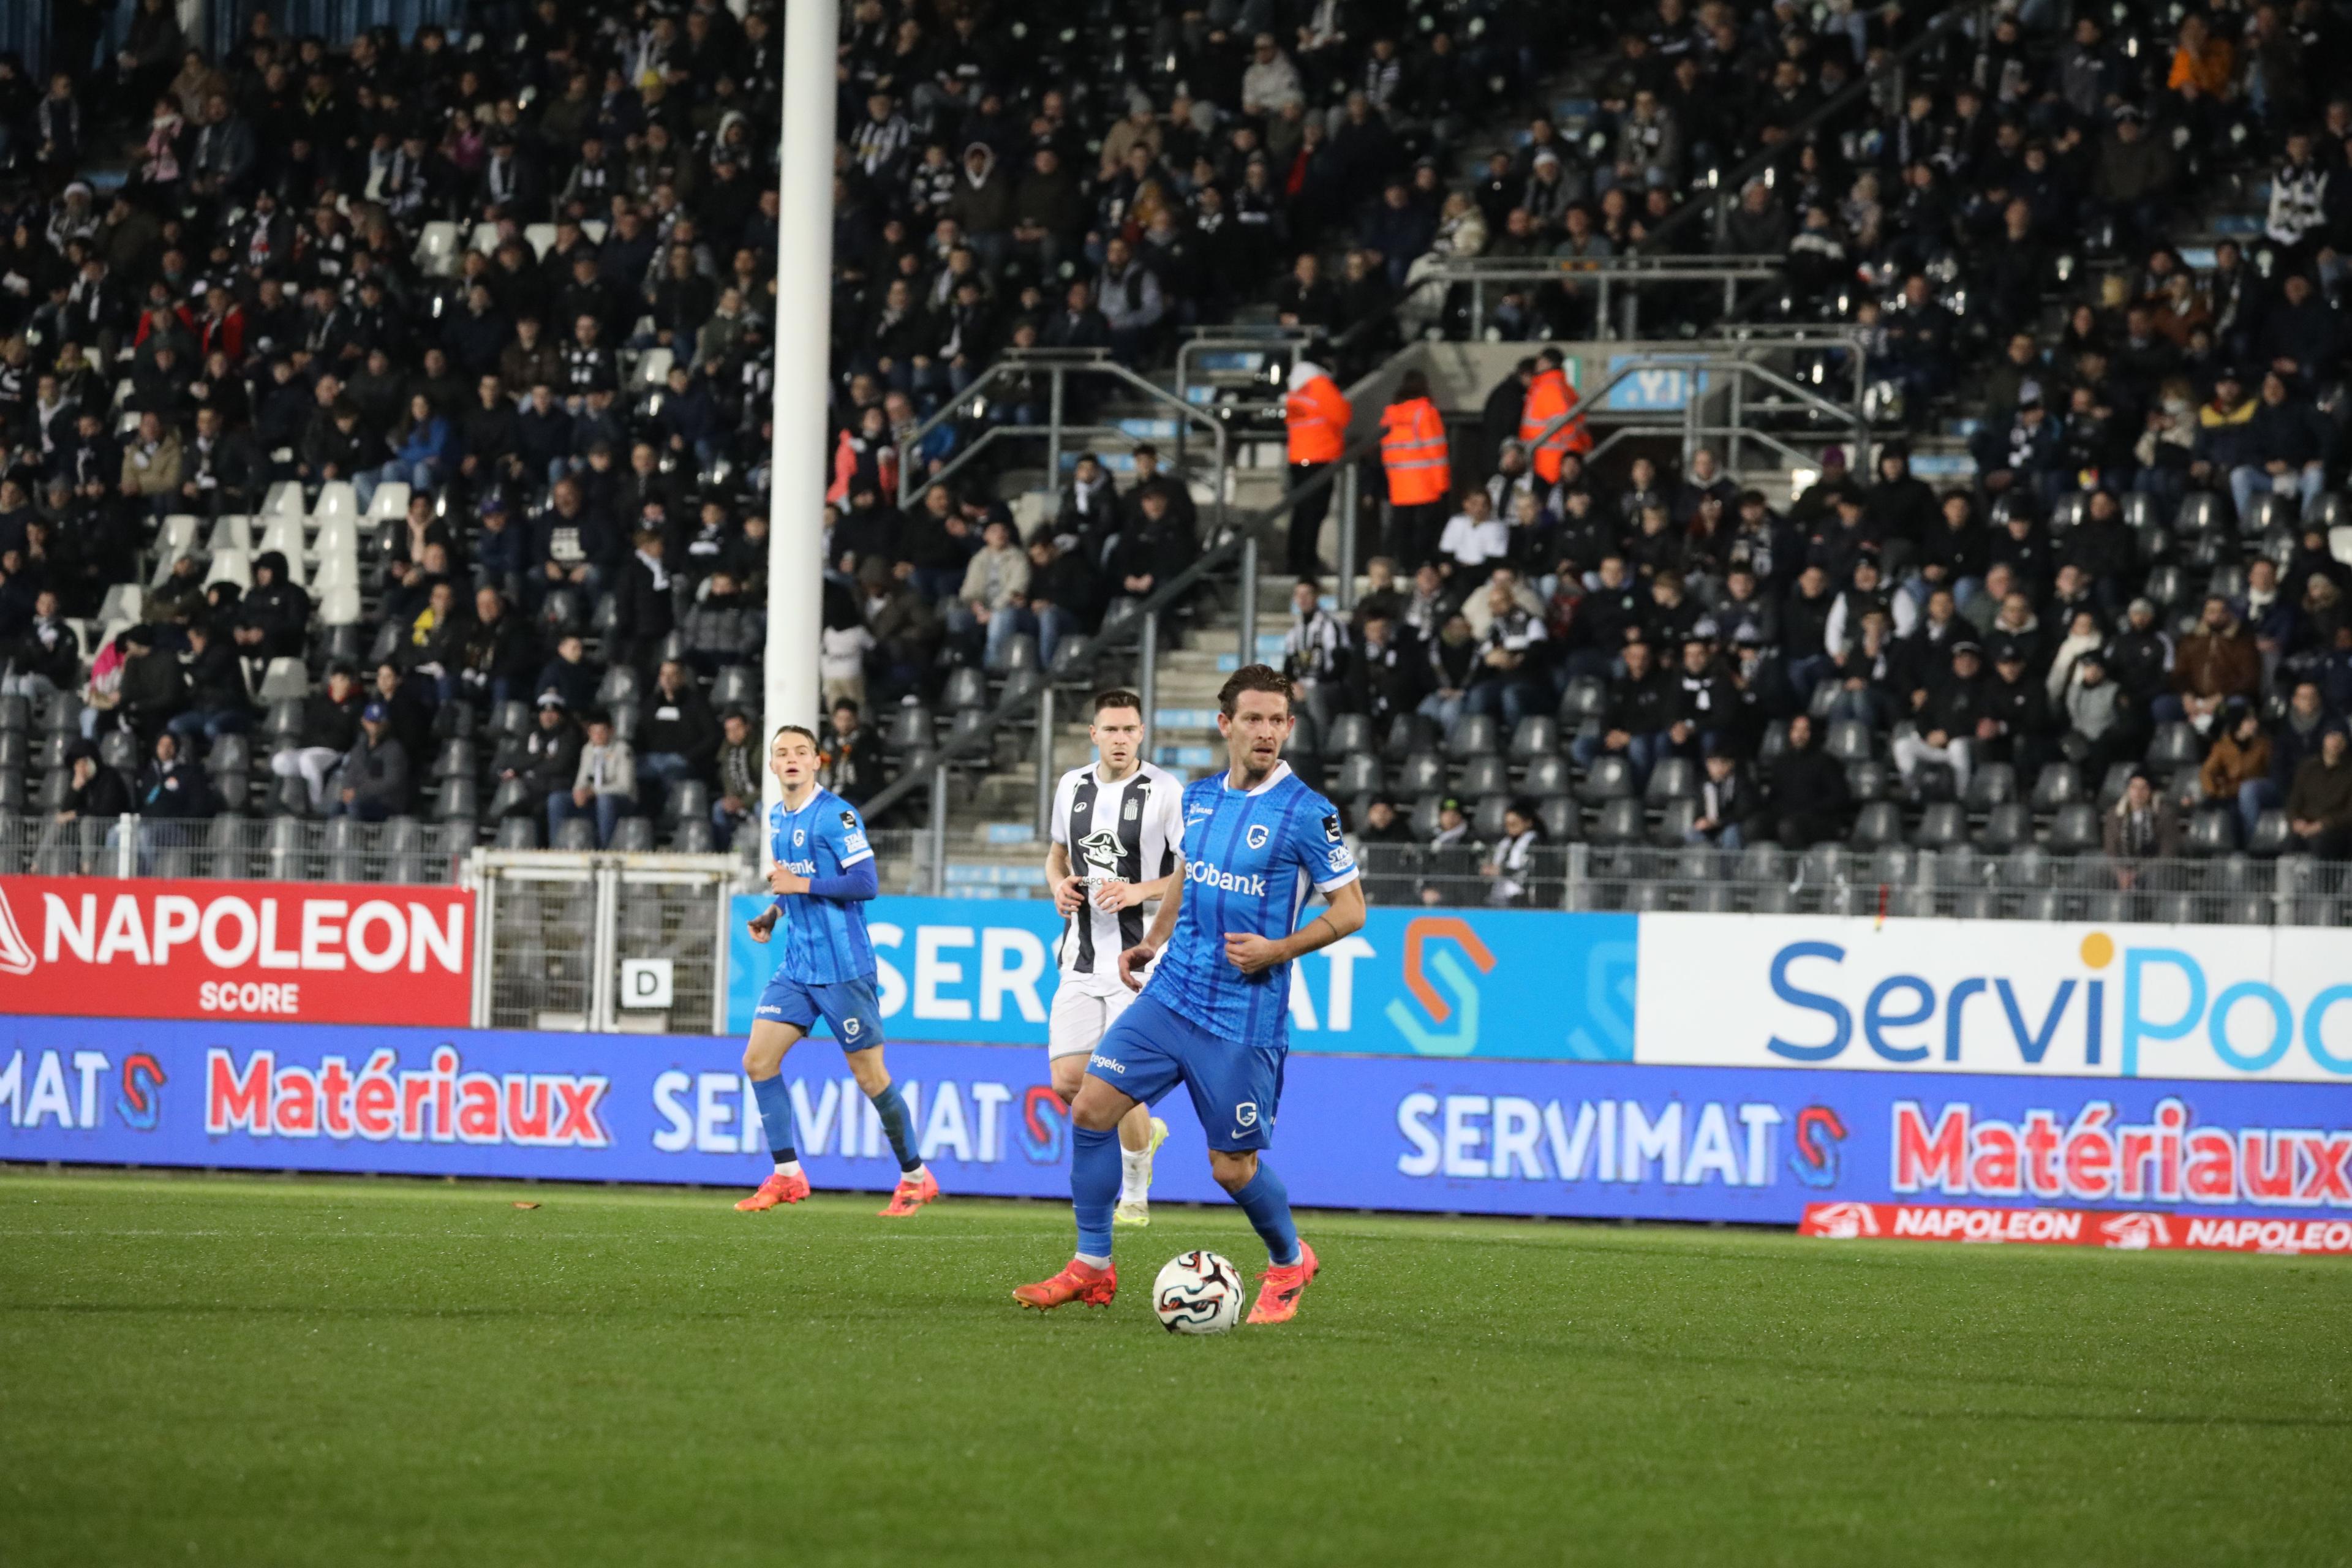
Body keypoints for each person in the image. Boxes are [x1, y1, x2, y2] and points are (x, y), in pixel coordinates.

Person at [1014, 665, 1366, 1324]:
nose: (1266, 732)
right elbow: (1187, 873)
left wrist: (1279, 949)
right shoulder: (1200, 799)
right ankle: (1092, 1265)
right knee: (1090, 1107)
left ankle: (1289, 1261)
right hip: (1172, 993)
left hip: (1242, 1015)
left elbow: (1351, 911)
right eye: (1253, 719)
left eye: (1277, 720)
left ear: (1290, 727)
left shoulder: (1307, 812)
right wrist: (1154, 940)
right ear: (1226, 724)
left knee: (1231, 1168)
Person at [735, 725, 940, 1218]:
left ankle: (916, 1177)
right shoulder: (777, 816)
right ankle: (787, 1174)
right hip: (797, 966)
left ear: (816, 761)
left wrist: (800, 887)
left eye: (801, 752)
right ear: (771, 765)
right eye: (782, 753)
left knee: (870, 1077)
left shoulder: (837, 815)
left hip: (843, 968)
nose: (791, 759)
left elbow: (866, 883)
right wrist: (775, 911)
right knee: (758, 1061)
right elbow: (792, 884)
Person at [1044, 691, 1185, 1228]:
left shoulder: (1164, 791)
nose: (1121, 739)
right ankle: (1145, 1130)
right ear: (1094, 734)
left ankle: (1135, 1196)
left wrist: (1137, 892)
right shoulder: (1071, 786)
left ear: (1142, 734)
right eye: (1111, 730)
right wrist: (1058, 886)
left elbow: (1190, 872)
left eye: (1130, 730)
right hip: (1079, 957)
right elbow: (1057, 854)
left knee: (1118, 1080)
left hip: (1138, 962)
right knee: (1068, 1081)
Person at [1283, 352, 1351, 576]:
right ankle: (1306, 560)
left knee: (1301, 512)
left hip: (1298, 457)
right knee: (1315, 512)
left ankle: (1295, 559)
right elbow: (1343, 415)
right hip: (1319, 457)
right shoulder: (1320, 386)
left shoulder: (1296, 388)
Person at [1379, 369, 1450, 567]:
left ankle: (1404, 565)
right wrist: (1443, 486)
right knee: (1426, 531)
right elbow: (1437, 452)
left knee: (1402, 528)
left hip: (1399, 484)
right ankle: (1421, 567)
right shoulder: (1426, 412)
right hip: (1426, 483)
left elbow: (1387, 452)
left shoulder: (1390, 416)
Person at [549, 708, 636, 846]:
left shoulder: (623, 749)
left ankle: (605, 847)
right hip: (592, 800)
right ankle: (557, 846)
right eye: (594, 732)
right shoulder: (588, 750)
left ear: (611, 731)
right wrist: (579, 792)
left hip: (619, 801)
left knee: (605, 801)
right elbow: (581, 779)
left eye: (602, 732)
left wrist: (594, 792)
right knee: (557, 800)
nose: (598, 736)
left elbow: (625, 787)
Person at [331, 701, 410, 821]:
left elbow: (392, 782)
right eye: (372, 722)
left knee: (354, 806)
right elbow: (350, 774)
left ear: (386, 724)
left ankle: (356, 834)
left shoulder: (394, 749)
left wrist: (358, 792)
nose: (375, 727)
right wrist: (349, 791)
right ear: (364, 721)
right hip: (359, 799)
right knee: (336, 808)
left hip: (386, 803)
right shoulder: (359, 748)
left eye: (379, 722)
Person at [2284, 722, 2352, 859]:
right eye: (2332, 736)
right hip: (2305, 825)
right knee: (2289, 843)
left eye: (2341, 738)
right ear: (2323, 739)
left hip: (2336, 829)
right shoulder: (2307, 767)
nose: (2336, 742)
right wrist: (2295, 821)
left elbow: (2349, 813)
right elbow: (2294, 801)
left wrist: (2322, 825)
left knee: (2321, 843)